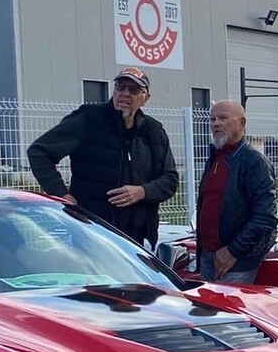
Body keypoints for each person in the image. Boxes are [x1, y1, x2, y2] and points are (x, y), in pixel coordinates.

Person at [27, 67, 180, 250]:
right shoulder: (88, 119)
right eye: (120, 87)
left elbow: (170, 179)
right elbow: (39, 152)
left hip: (137, 238)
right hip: (91, 231)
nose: (125, 94)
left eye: (133, 90)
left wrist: (143, 191)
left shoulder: (153, 131)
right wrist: (62, 195)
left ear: (145, 98)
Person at [194, 100, 278, 283]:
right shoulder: (215, 159)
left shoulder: (254, 162)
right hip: (208, 258)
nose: (216, 123)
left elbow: (266, 217)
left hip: (235, 263)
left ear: (242, 123)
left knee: (228, 310)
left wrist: (233, 251)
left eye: (223, 118)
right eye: (213, 119)